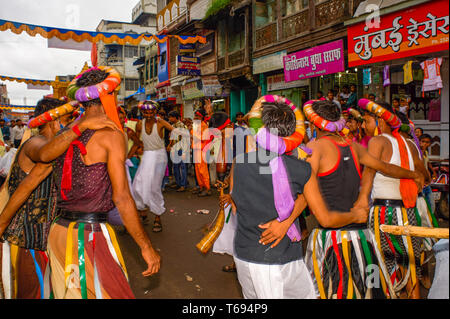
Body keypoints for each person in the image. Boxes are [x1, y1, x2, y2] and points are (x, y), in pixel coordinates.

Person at [22, 67, 160, 299]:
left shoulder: (65, 131)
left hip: (58, 233)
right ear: (108, 94)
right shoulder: (111, 134)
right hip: (88, 237)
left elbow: (44, 157)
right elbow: (122, 197)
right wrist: (146, 246)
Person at [220, 97, 369, 299]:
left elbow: (236, 205)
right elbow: (323, 216)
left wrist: (285, 221)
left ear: (259, 132)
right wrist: (356, 215)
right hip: (279, 258)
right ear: (292, 133)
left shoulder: (240, 163)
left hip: (249, 255)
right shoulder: (301, 168)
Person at [301, 100, 423, 299]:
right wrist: (412, 174)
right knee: (366, 290)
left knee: (332, 291)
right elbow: (384, 167)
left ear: (314, 125)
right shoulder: (353, 146)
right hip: (361, 237)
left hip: (333, 238)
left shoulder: (314, 147)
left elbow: (305, 196)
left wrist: (286, 222)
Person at [356, 99, 429, 299]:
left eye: (366, 120)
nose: (363, 126)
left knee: (382, 267)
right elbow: (425, 176)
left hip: (383, 213)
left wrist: (362, 201)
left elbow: (369, 173)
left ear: (381, 120)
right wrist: (413, 174)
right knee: (409, 265)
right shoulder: (411, 144)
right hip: (409, 211)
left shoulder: (377, 142)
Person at [133, 101, 174, 232]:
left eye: (151, 112)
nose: (149, 114)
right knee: (137, 185)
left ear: (155, 112)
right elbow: (138, 141)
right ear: (142, 113)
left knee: (154, 187)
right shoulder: (139, 124)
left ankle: (157, 217)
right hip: (146, 156)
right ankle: (143, 212)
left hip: (159, 157)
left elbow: (174, 131)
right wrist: (136, 150)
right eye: (146, 112)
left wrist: (171, 144)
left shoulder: (160, 122)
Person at [191, 108, 211, 197]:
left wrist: (194, 136)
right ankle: (201, 186)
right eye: (195, 115)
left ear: (201, 117)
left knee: (203, 171)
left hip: (202, 150)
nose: (195, 117)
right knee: (198, 171)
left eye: (197, 116)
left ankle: (207, 188)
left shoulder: (204, 125)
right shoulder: (196, 125)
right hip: (196, 149)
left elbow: (204, 137)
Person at [167, 110, 189, 192]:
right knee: (176, 167)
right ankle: (178, 183)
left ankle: (183, 185)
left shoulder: (181, 126)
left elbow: (185, 138)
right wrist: (170, 145)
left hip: (181, 149)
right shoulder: (173, 125)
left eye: (171, 117)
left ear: (175, 117)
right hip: (175, 149)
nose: (169, 118)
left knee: (182, 168)